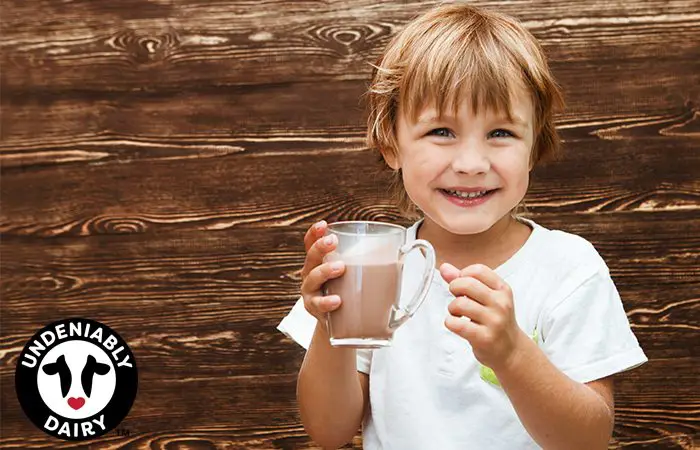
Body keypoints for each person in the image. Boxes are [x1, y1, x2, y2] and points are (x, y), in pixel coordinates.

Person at [277, 3, 647, 449]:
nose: (471, 164)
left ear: (534, 147)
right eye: (442, 132)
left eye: (501, 133)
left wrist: (511, 354)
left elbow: (587, 441)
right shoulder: (369, 263)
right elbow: (329, 432)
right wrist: (327, 326)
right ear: (391, 143)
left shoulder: (569, 267)